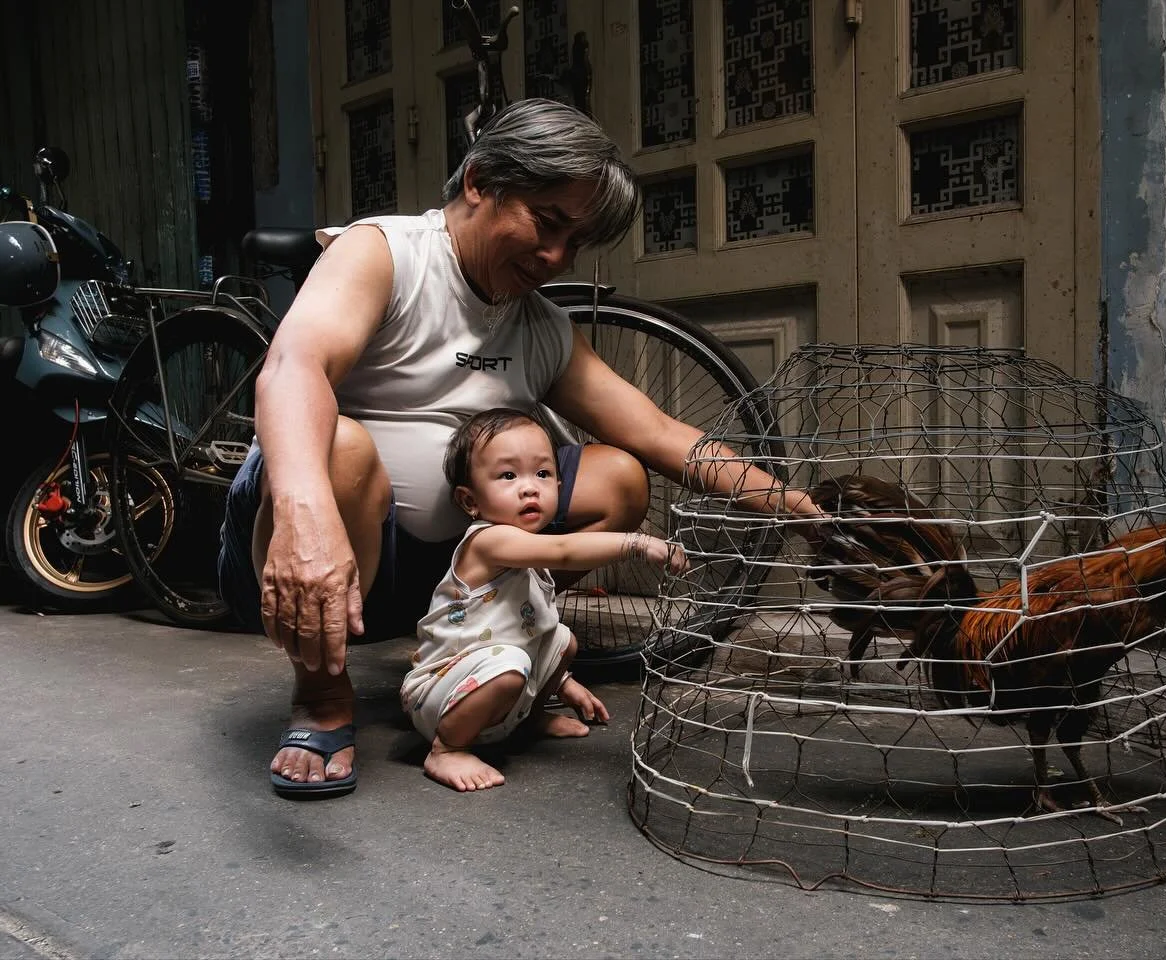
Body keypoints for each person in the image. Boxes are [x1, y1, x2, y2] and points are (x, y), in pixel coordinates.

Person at [216, 98, 814, 798]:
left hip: (442, 574)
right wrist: (304, 517)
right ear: (480, 181)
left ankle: (490, 650)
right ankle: (322, 696)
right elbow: (293, 368)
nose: (556, 257)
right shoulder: (386, 253)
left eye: (576, 242)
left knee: (618, 476)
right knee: (342, 451)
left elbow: (655, 434)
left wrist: (802, 508)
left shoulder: (537, 326)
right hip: (312, 548)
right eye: (548, 222)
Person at [401, 408, 686, 791]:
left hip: (491, 677)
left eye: (543, 474)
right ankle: (447, 749)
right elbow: (567, 549)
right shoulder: (487, 541)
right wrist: (636, 542)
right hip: (440, 694)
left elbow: (528, 629)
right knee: (511, 663)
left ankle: (527, 720)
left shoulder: (529, 556)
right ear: (470, 501)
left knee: (561, 639)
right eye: (507, 475)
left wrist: (561, 681)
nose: (530, 487)